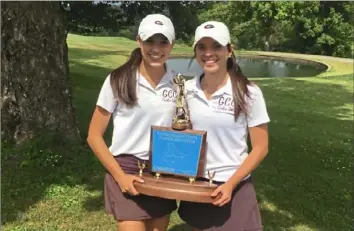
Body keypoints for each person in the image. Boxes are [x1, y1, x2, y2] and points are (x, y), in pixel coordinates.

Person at [87, 14, 178, 231]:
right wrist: (120, 176)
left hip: (162, 171)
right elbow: (94, 136)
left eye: (163, 41)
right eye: (150, 41)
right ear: (139, 41)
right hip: (125, 168)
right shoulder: (117, 79)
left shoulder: (178, 83)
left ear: (172, 45)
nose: (156, 48)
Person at [178, 21, 270, 231]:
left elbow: (261, 147)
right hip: (199, 183)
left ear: (229, 50)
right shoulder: (186, 89)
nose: (208, 53)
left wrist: (230, 184)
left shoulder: (249, 92)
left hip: (235, 184)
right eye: (202, 47)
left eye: (216, 46)